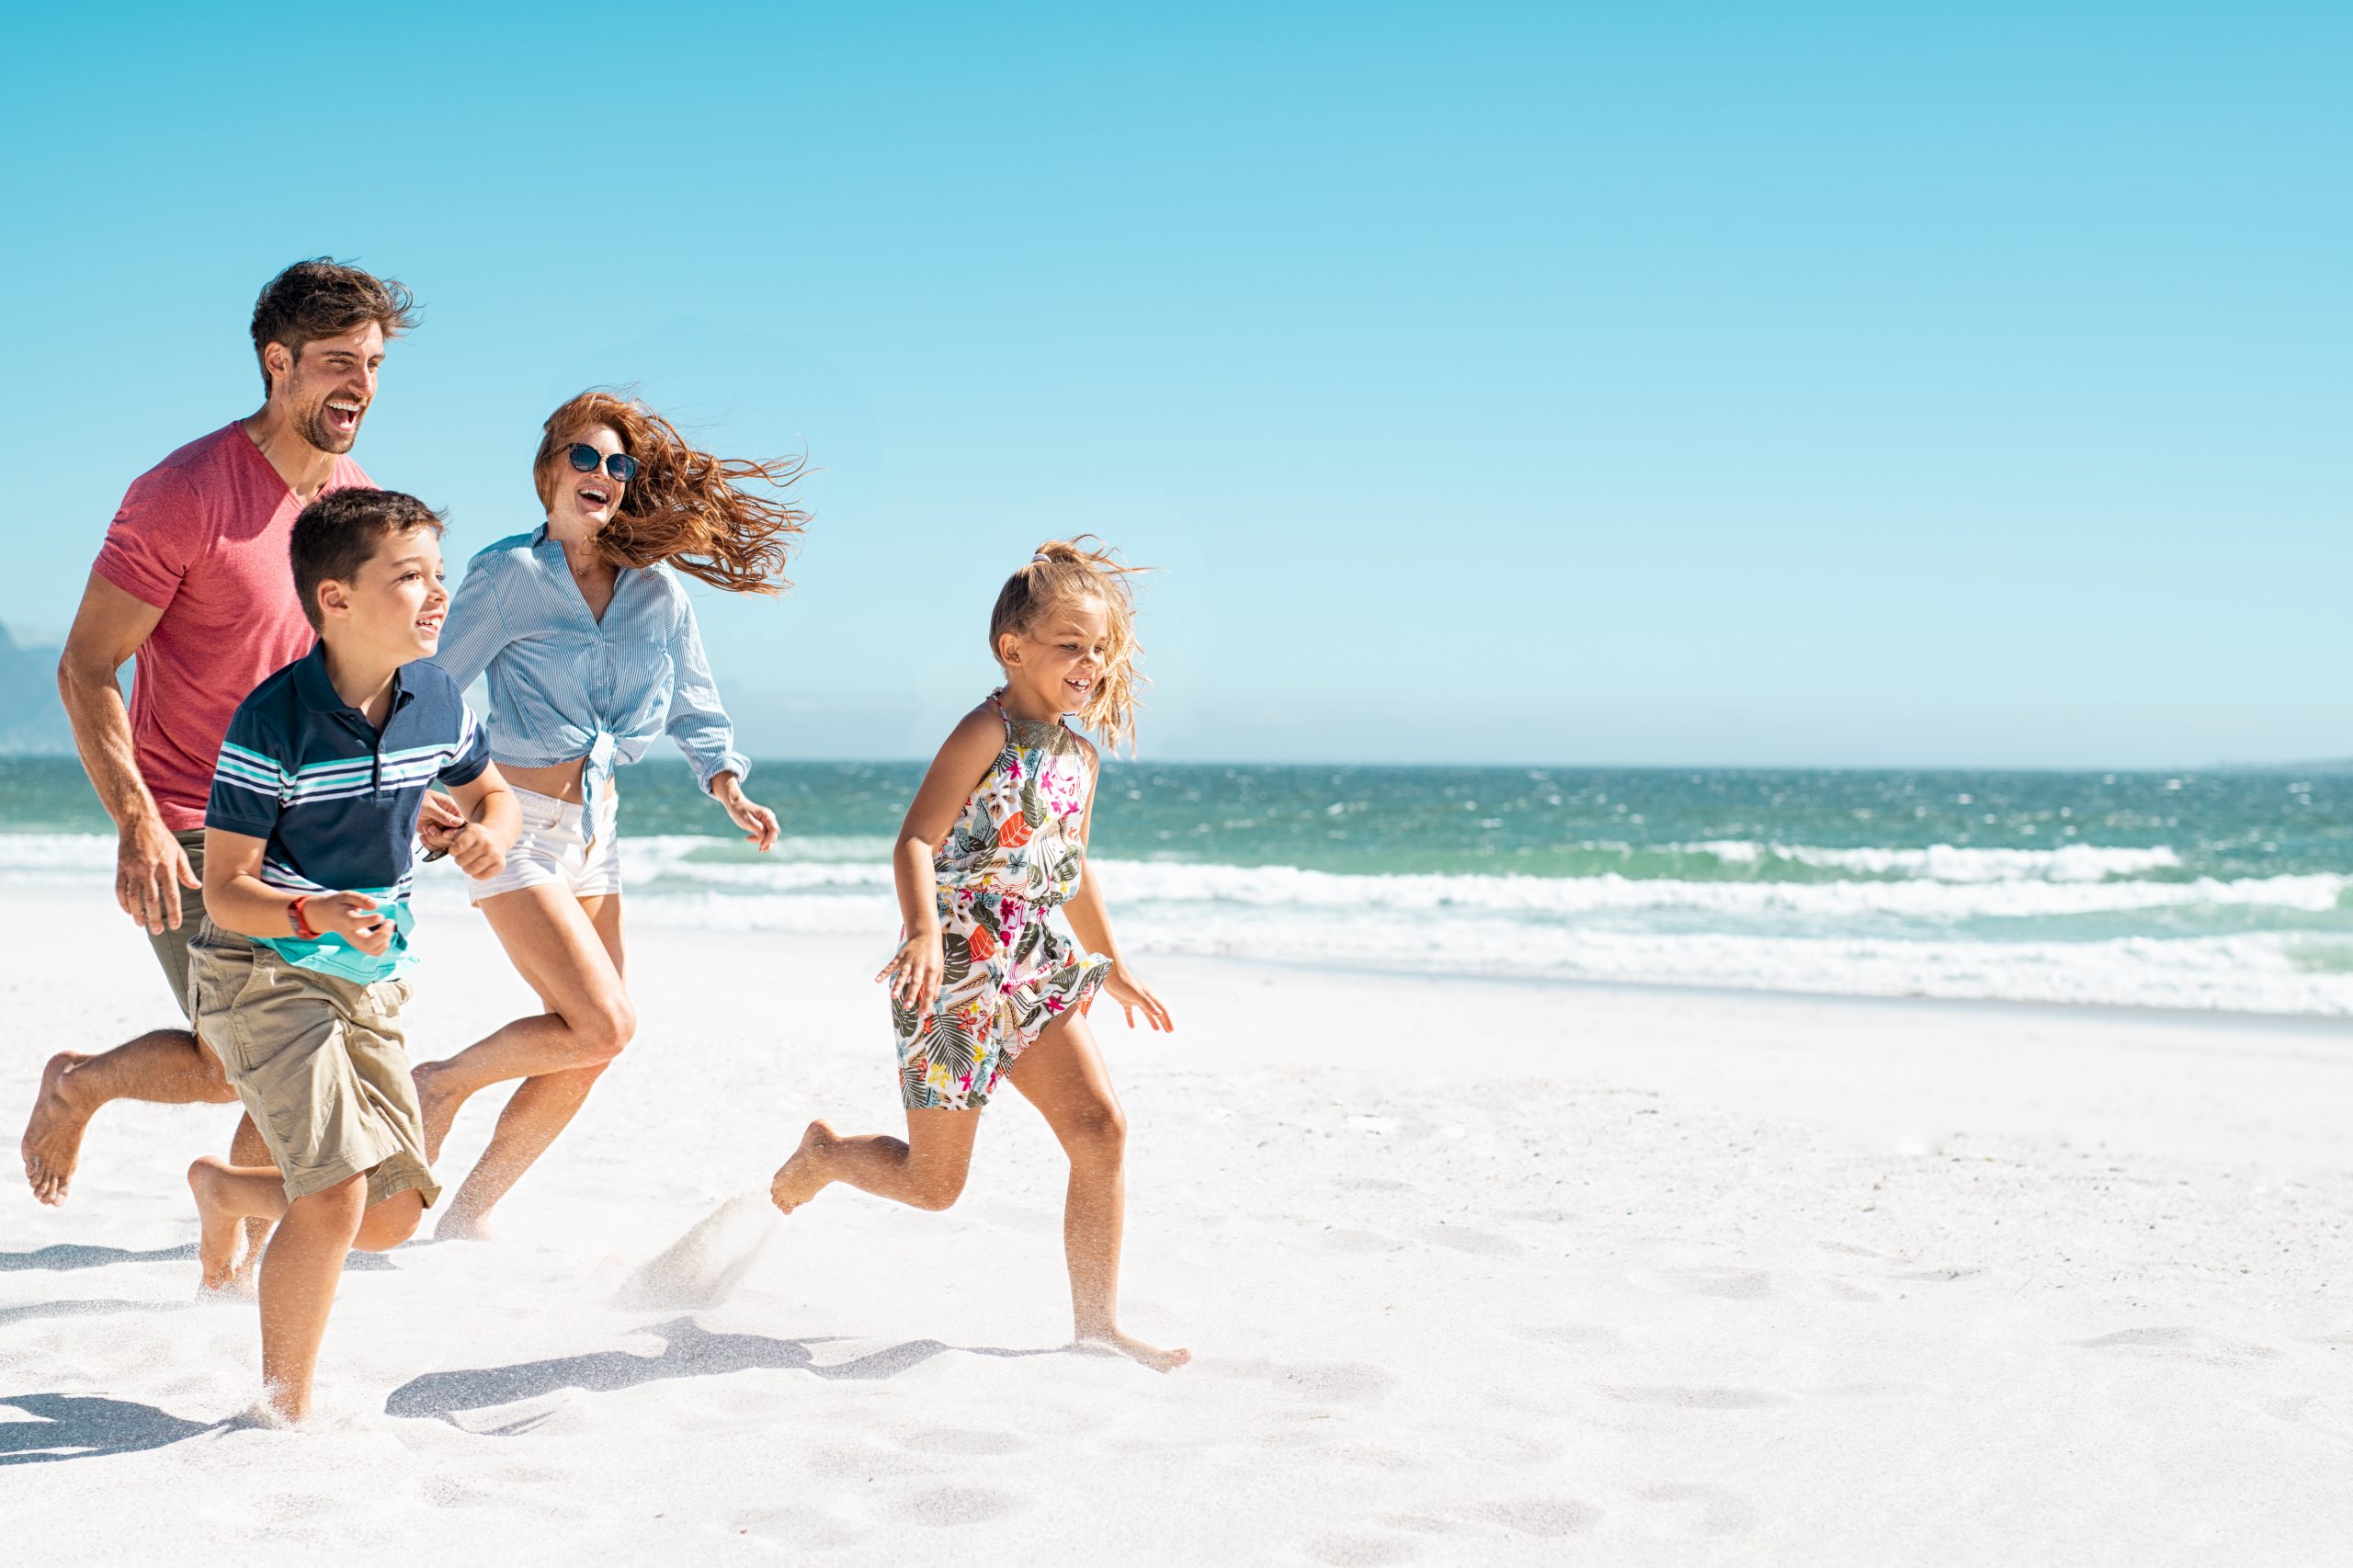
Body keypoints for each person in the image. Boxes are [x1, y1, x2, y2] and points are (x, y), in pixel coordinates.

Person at [23, 259, 418, 1214]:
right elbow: (85, 666)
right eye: (335, 361)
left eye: (370, 363)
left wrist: (400, 774)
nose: (358, 385)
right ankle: (79, 1086)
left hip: (313, 825)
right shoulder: (183, 492)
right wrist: (137, 822)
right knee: (255, 1056)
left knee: (274, 1050)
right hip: (197, 825)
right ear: (276, 362)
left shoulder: (354, 500)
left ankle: (232, 1227)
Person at [768, 539, 1189, 1371]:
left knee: (1100, 1130)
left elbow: (1068, 871)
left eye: (1099, 649)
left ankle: (1097, 1327)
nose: (1089, 662)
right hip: (954, 967)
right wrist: (923, 930)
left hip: (1033, 960)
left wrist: (1116, 963)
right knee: (935, 1187)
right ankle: (825, 1156)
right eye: (1071, 644)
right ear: (1014, 649)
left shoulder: (1079, 756)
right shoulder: (984, 730)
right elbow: (916, 840)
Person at [411, 392, 804, 1237]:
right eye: (584, 458)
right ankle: (438, 1083)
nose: (601, 475)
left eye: (617, 465)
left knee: (596, 1043)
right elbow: (431, 685)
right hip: (510, 821)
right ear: (550, 470)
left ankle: (469, 1214)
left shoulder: (656, 594)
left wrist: (727, 785)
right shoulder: (507, 576)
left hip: (596, 832)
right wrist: (417, 788)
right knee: (602, 1019)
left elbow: (697, 706)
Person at [185, 488, 517, 1424]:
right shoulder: (271, 723)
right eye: (408, 577)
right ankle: (279, 1412)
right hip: (263, 965)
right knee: (333, 1194)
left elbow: (493, 794)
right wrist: (314, 909)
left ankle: (226, 1190)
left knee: (393, 1210)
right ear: (333, 600)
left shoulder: (438, 695)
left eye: (438, 575)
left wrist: (489, 830)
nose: (436, 594)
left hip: (370, 975)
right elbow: (225, 887)